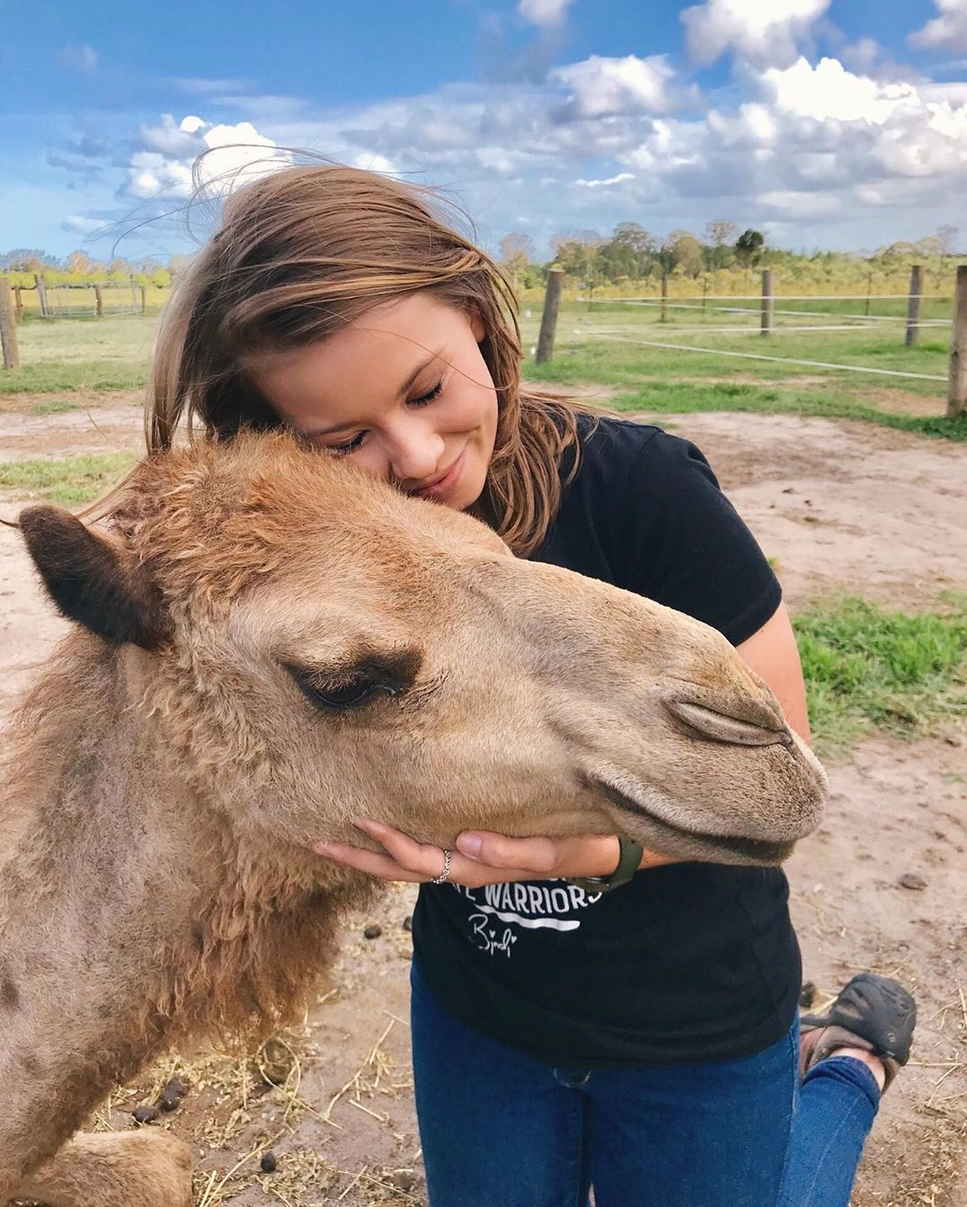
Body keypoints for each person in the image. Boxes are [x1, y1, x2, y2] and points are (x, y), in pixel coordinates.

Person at [147, 160, 916, 1207]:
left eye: (425, 390)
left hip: (694, 1018)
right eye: (343, 441)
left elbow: (780, 772)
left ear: (477, 316)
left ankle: (846, 1068)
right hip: (482, 1017)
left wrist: (584, 850)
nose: (415, 454)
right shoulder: (325, 581)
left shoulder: (643, 491)